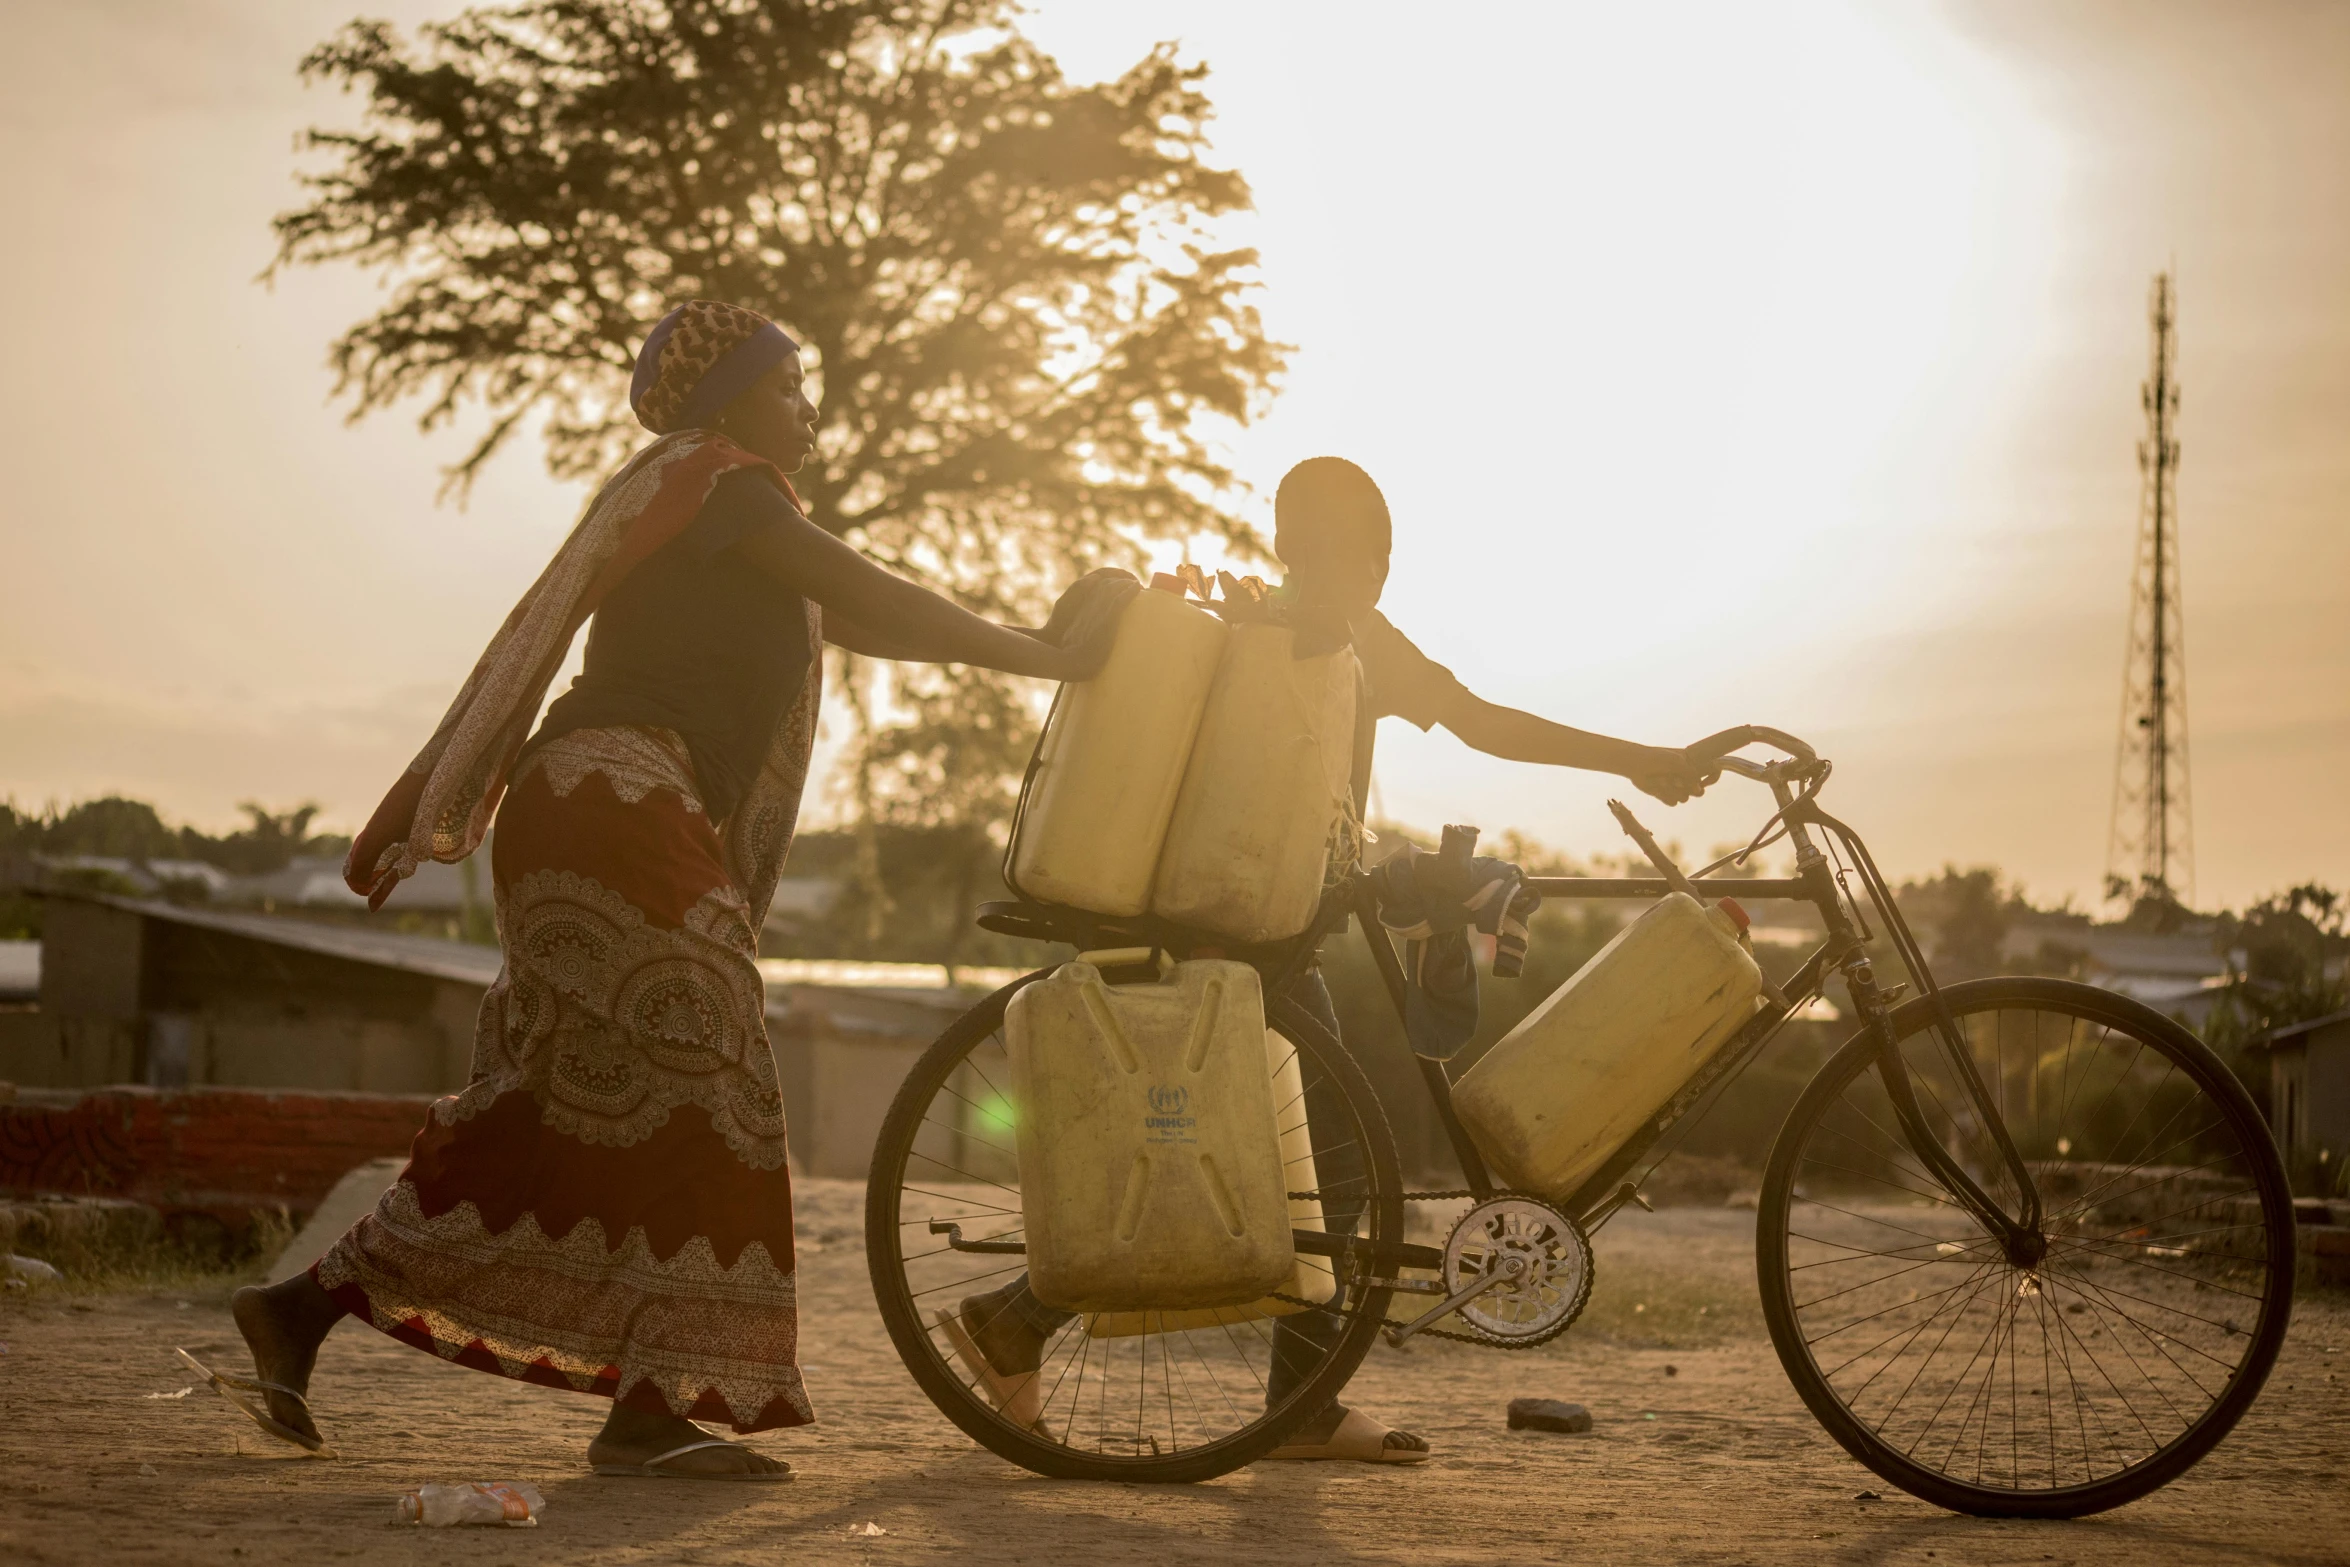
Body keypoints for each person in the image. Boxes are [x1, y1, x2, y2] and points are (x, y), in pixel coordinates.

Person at [217, 300, 1133, 1480]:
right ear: (731, 401)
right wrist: (1052, 654)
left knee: (560, 1099)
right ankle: (653, 1404)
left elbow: (866, 617)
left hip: (601, 806)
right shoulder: (720, 483)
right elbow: (883, 593)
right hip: (611, 798)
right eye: (790, 384)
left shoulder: (719, 509)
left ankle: (301, 1309)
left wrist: (1028, 640)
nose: (808, 405)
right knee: (721, 1071)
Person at [946, 455, 1710, 1464]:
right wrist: (1640, 762)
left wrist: (1635, 761)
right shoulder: (1274, 633)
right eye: (1354, 551)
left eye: (1374, 554)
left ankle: (1038, 1325)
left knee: (1285, 1172)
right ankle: (1193, 1369)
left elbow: (1477, 723)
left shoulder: (1310, 632)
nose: (1368, 573)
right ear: (1291, 549)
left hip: (1269, 939)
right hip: (1247, 948)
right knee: (1309, 1172)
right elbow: (1479, 724)